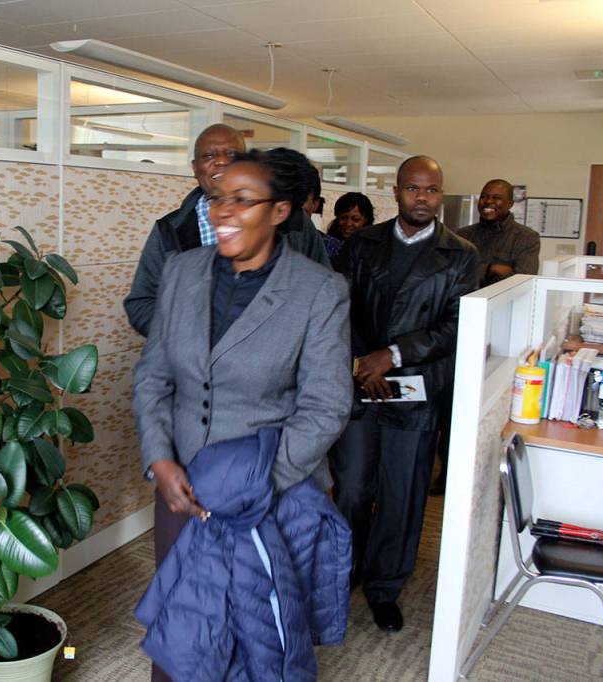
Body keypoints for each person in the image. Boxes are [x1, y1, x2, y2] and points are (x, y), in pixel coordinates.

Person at [132, 150, 353, 682]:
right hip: (180, 488)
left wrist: (248, 485)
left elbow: (326, 407)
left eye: (242, 199)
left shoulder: (318, 290)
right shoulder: (183, 272)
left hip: (270, 493)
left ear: (280, 211)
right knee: (184, 625)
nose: (221, 211)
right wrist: (159, 459)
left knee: (255, 636)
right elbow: (153, 376)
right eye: (215, 198)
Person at [331, 156, 478, 633]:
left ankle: (384, 587)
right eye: (413, 189)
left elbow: (455, 325)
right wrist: (361, 361)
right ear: (394, 193)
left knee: (403, 492)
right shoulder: (362, 244)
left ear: (440, 195)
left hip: (417, 390)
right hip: (360, 385)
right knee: (352, 487)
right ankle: (346, 570)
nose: (422, 198)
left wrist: (391, 355)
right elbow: (337, 306)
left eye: (432, 190)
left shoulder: (461, 254)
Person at [123, 125, 329, 337]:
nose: (221, 161)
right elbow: (141, 303)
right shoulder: (169, 230)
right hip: (194, 364)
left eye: (232, 154)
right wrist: (188, 335)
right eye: (209, 155)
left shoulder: (292, 220)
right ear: (195, 168)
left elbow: (322, 292)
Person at [457, 178, 540, 287]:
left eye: (496, 198)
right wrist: (491, 269)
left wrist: (473, 271)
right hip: (464, 302)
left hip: (504, 303)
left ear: (510, 204)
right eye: (484, 197)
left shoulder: (527, 237)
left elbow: (523, 283)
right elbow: (451, 274)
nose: (488, 201)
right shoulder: (463, 235)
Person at [323, 191, 375, 259]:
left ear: (366, 220)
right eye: (343, 218)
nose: (348, 224)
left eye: (355, 219)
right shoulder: (326, 245)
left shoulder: (374, 251)